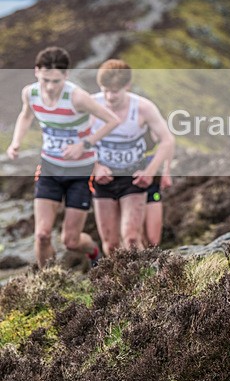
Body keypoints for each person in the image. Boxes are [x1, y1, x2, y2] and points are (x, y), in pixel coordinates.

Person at [5, 46, 121, 269]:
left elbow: (112, 120)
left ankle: (94, 251)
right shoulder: (30, 92)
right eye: (45, 79)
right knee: (42, 235)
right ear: (36, 71)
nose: (49, 87)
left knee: (70, 241)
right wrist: (16, 142)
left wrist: (84, 144)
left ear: (66, 76)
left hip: (80, 172)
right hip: (50, 168)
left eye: (56, 81)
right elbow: (26, 115)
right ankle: (49, 284)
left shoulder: (77, 97)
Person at [90, 59, 175, 255]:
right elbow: (75, 139)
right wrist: (95, 167)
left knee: (131, 238)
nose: (110, 97)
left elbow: (167, 140)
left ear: (126, 86)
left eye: (115, 91)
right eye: (105, 90)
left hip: (133, 178)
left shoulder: (143, 107)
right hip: (104, 179)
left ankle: (144, 284)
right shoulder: (91, 105)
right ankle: (119, 284)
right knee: (110, 244)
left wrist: (150, 172)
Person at [141, 130, 173, 247]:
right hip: (129, 186)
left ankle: (151, 262)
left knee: (153, 240)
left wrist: (166, 172)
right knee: (136, 238)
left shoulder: (153, 120)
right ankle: (138, 263)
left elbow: (169, 142)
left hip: (152, 185)